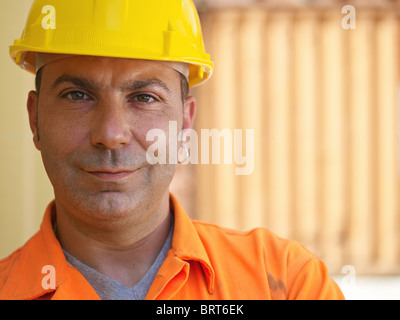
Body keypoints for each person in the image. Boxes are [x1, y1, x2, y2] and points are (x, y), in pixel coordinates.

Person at [0, 0, 344, 300]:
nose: (110, 134)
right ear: (35, 119)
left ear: (183, 124)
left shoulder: (285, 283)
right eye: (77, 95)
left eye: (144, 98)